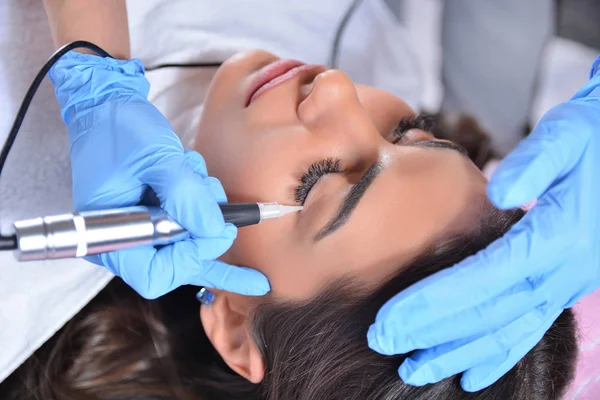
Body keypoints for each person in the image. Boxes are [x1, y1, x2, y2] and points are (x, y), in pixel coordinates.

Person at [3, 0, 595, 396]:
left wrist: (89, 61)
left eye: (319, 181)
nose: (335, 88)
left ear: (235, 321)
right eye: (410, 130)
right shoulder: (385, 55)